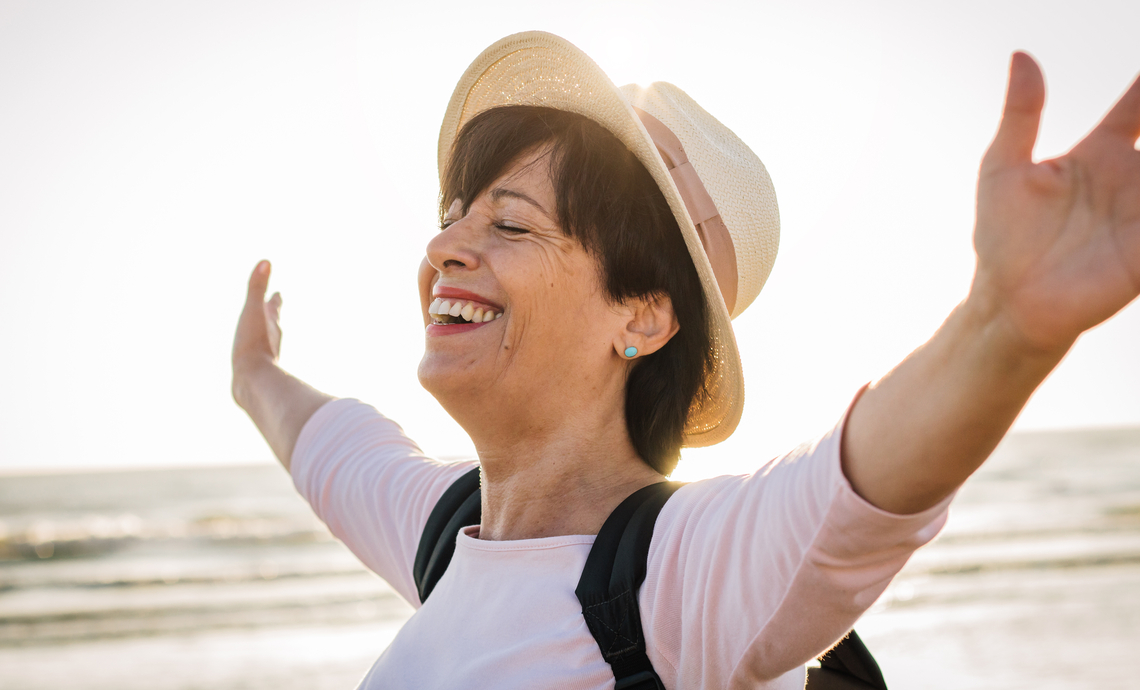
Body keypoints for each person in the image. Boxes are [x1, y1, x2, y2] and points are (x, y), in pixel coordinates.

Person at [231, 31, 1140, 690]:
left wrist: (1005, 328)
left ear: (644, 314)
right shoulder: (444, 531)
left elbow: (857, 487)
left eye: (509, 223)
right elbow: (331, 444)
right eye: (454, 214)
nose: (444, 248)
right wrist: (253, 375)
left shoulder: (673, 584)